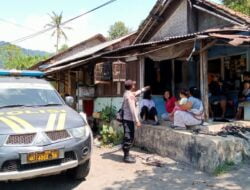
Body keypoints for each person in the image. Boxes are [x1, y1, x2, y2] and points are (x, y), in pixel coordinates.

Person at [122, 80, 150, 163]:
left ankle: (126, 154)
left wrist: (143, 89)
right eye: (133, 85)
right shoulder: (129, 96)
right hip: (128, 120)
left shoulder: (127, 93)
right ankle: (126, 157)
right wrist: (137, 120)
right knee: (129, 137)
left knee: (129, 136)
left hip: (127, 119)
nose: (134, 86)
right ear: (130, 86)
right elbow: (132, 110)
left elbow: (136, 93)